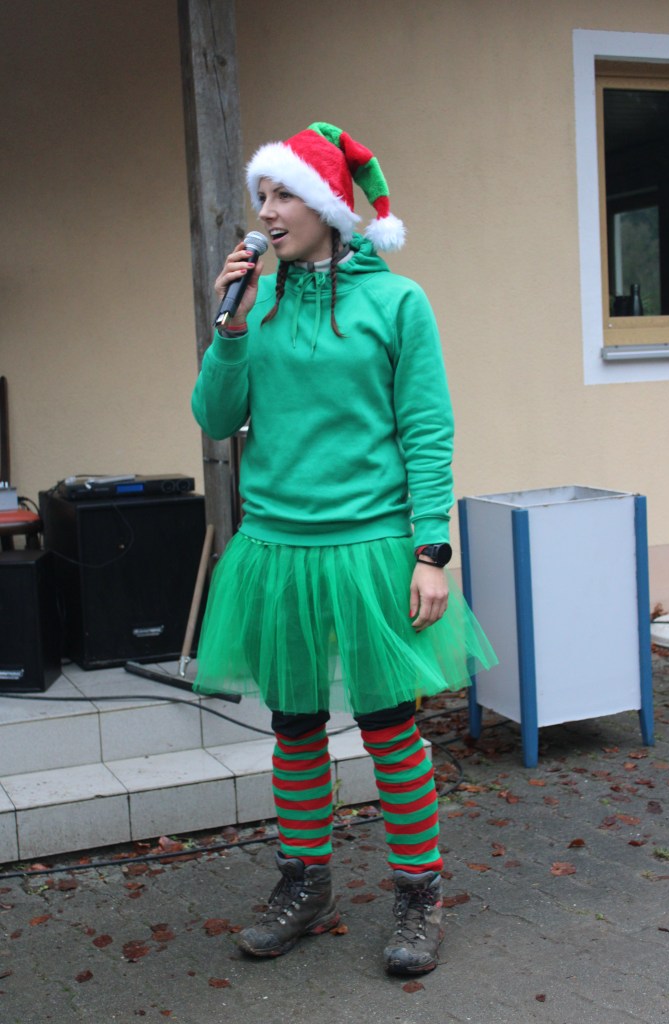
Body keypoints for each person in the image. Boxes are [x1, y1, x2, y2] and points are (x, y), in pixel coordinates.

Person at [191, 121, 496, 976]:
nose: (266, 212)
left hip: (369, 546)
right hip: (276, 548)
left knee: (389, 729)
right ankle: (305, 885)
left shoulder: (397, 304)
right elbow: (216, 418)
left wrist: (430, 552)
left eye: (283, 194)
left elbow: (426, 431)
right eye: (261, 195)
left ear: (327, 205)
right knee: (293, 728)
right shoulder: (257, 305)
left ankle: (418, 894)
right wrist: (230, 330)